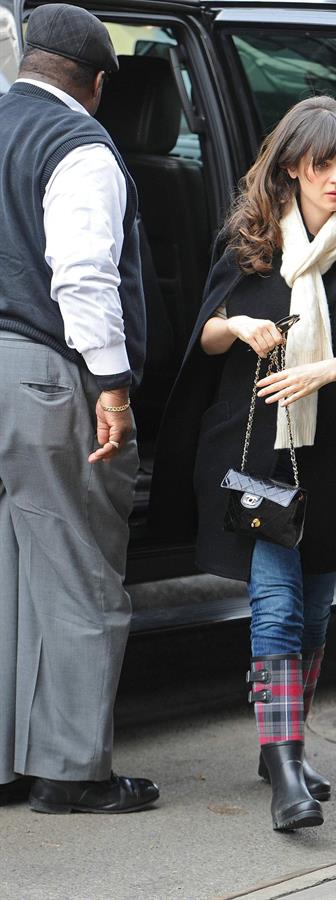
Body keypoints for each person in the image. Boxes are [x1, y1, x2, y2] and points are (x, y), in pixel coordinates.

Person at [151, 95, 336, 831]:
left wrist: (322, 372)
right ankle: (282, 768)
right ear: (292, 168)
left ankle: (288, 745)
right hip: (258, 451)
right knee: (275, 603)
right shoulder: (250, 243)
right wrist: (239, 325)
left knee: (317, 608)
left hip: (335, 455)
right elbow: (202, 337)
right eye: (322, 164)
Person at [0, 5, 158, 813]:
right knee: (79, 574)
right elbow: (84, 277)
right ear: (96, 84)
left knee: (7, 577)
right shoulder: (81, 147)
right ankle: (69, 772)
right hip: (48, 377)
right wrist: (114, 388)